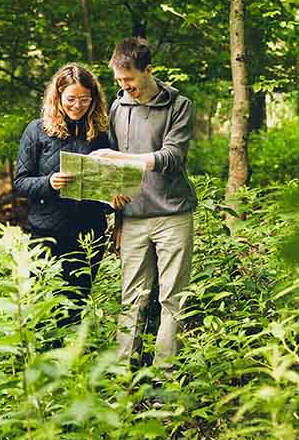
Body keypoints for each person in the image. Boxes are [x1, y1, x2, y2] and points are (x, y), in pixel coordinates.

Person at [90, 37, 196, 368]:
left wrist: (122, 159)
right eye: (119, 81)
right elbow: (118, 179)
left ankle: (166, 376)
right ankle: (123, 375)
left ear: (148, 70)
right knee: (131, 298)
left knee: (171, 298)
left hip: (172, 214)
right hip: (134, 218)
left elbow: (173, 157)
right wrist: (118, 220)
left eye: (129, 80)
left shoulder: (179, 105)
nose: (124, 87)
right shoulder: (119, 108)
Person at [13, 63, 126, 326]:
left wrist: (112, 201)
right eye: (71, 99)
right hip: (46, 234)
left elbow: (108, 188)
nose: (78, 105)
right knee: (43, 306)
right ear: (58, 97)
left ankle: (70, 361)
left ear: (94, 99)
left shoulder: (101, 135)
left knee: (76, 305)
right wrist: (49, 183)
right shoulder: (36, 131)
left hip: (88, 235)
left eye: (85, 99)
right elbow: (20, 182)